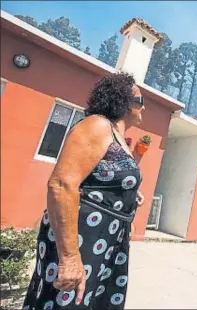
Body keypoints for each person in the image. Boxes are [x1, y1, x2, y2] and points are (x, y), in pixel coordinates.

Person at [23, 72, 146, 309]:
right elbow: (62, 185)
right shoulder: (97, 126)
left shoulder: (120, 140)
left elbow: (102, 181)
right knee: (69, 302)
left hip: (109, 240)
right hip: (84, 238)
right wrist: (69, 257)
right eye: (140, 101)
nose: (144, 107)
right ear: (122, 101)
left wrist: (129, 194)